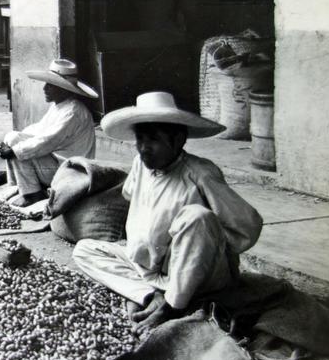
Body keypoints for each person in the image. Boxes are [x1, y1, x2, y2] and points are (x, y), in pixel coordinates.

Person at [72, 91, 263, 333]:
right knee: (85, 250)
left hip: (199, 273)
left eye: (153, 140)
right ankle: (151, 295)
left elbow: (248, 225)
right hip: (152, 269)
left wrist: (209, 241)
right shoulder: (140, 165)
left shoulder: (201, 173)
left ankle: (172, 306)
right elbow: (132, 195)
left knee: (197, 216)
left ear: (178, 140)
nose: (143, 148)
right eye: (139, 139)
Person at [0, 59, 98, 207]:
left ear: (63, 89)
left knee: (17, 145)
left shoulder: (73, 112)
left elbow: (48, 140)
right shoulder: (60, 107)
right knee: (12, 137)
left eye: (50, 85)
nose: (44, 89)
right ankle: (19, 186)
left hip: (70, 172)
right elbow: (38, 130)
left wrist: (14, 150)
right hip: (57, 166)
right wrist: (10, 145)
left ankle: (32, 194)